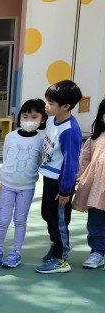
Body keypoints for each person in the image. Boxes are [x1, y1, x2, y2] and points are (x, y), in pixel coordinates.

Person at [0, 99, 46, 268]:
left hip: (27, 187)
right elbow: (6, 158)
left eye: (34, 117)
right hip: (7, 184)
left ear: (42, 119)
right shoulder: (10, 137)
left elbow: (39, 161)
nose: (29, 120)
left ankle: (15, 253)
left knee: (20, 220)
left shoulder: (42, 140)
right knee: (2, 220)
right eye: (25, 116)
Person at [36, 79, 83, 274]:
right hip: (50, 177)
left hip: (61, 183)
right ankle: (57, 246)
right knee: (47, 215)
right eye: (46, 101)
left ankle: (61, 258)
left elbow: (71, 164)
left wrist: (65, 191)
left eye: (51, 103)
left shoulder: (70, 131)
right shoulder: (52, 120)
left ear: (66, 106)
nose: (46, 106)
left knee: (58, 220)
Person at [72, 96, 105, 270]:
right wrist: (79, 180)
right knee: (96, 221)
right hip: (97, 188)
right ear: (101, 117)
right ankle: (97, 252)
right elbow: (84, 162)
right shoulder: (94, 139)